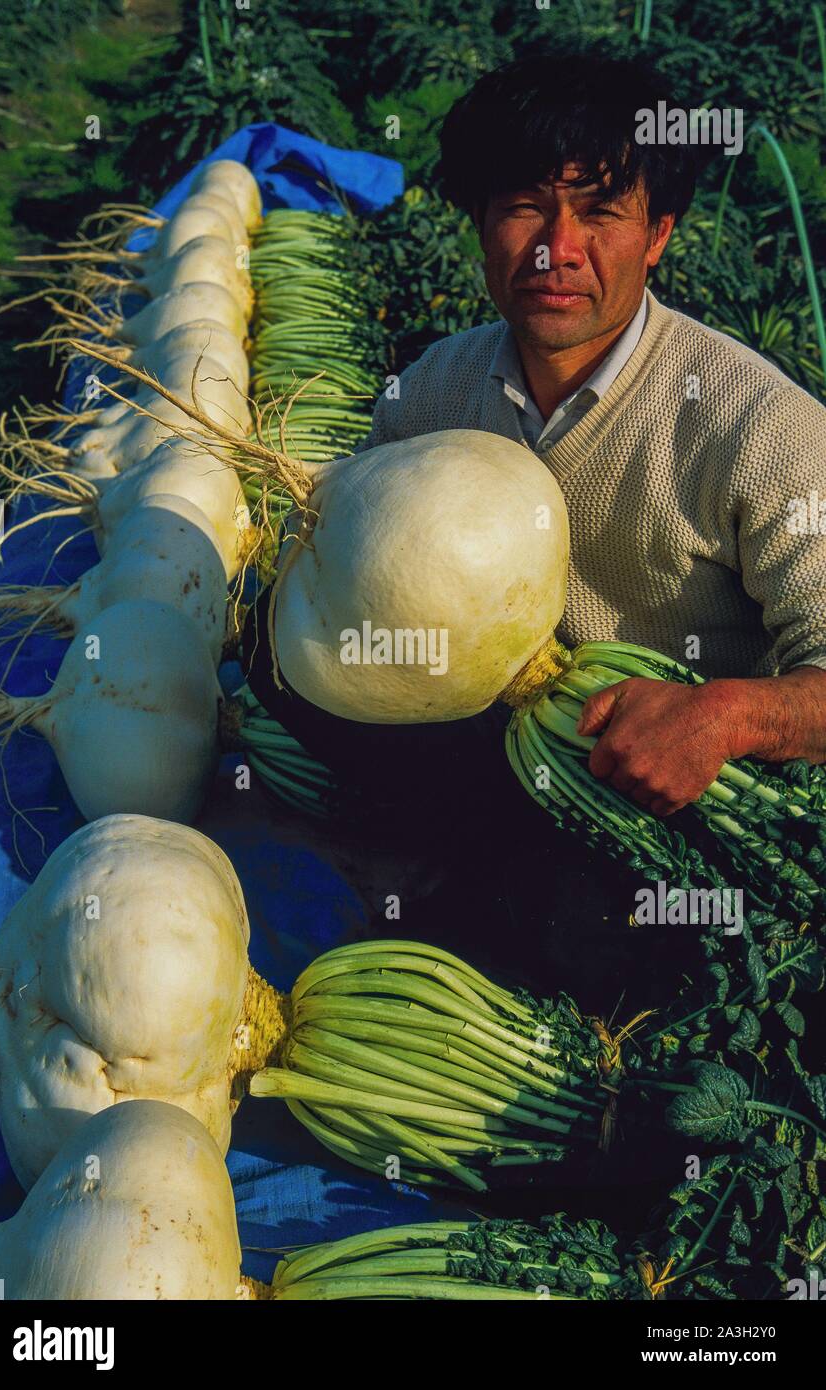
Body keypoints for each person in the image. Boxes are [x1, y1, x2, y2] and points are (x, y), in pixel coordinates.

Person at [243, 51, 826, 999]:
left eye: (599, 212)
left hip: (655, 799)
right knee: (278, 648)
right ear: (478, 223)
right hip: (490, 743)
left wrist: (724, 714)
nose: (556, 248)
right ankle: (450, 848)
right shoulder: (435, 389)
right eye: (523, 205)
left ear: (658, 236)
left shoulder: (755, 426)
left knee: (590, 938)